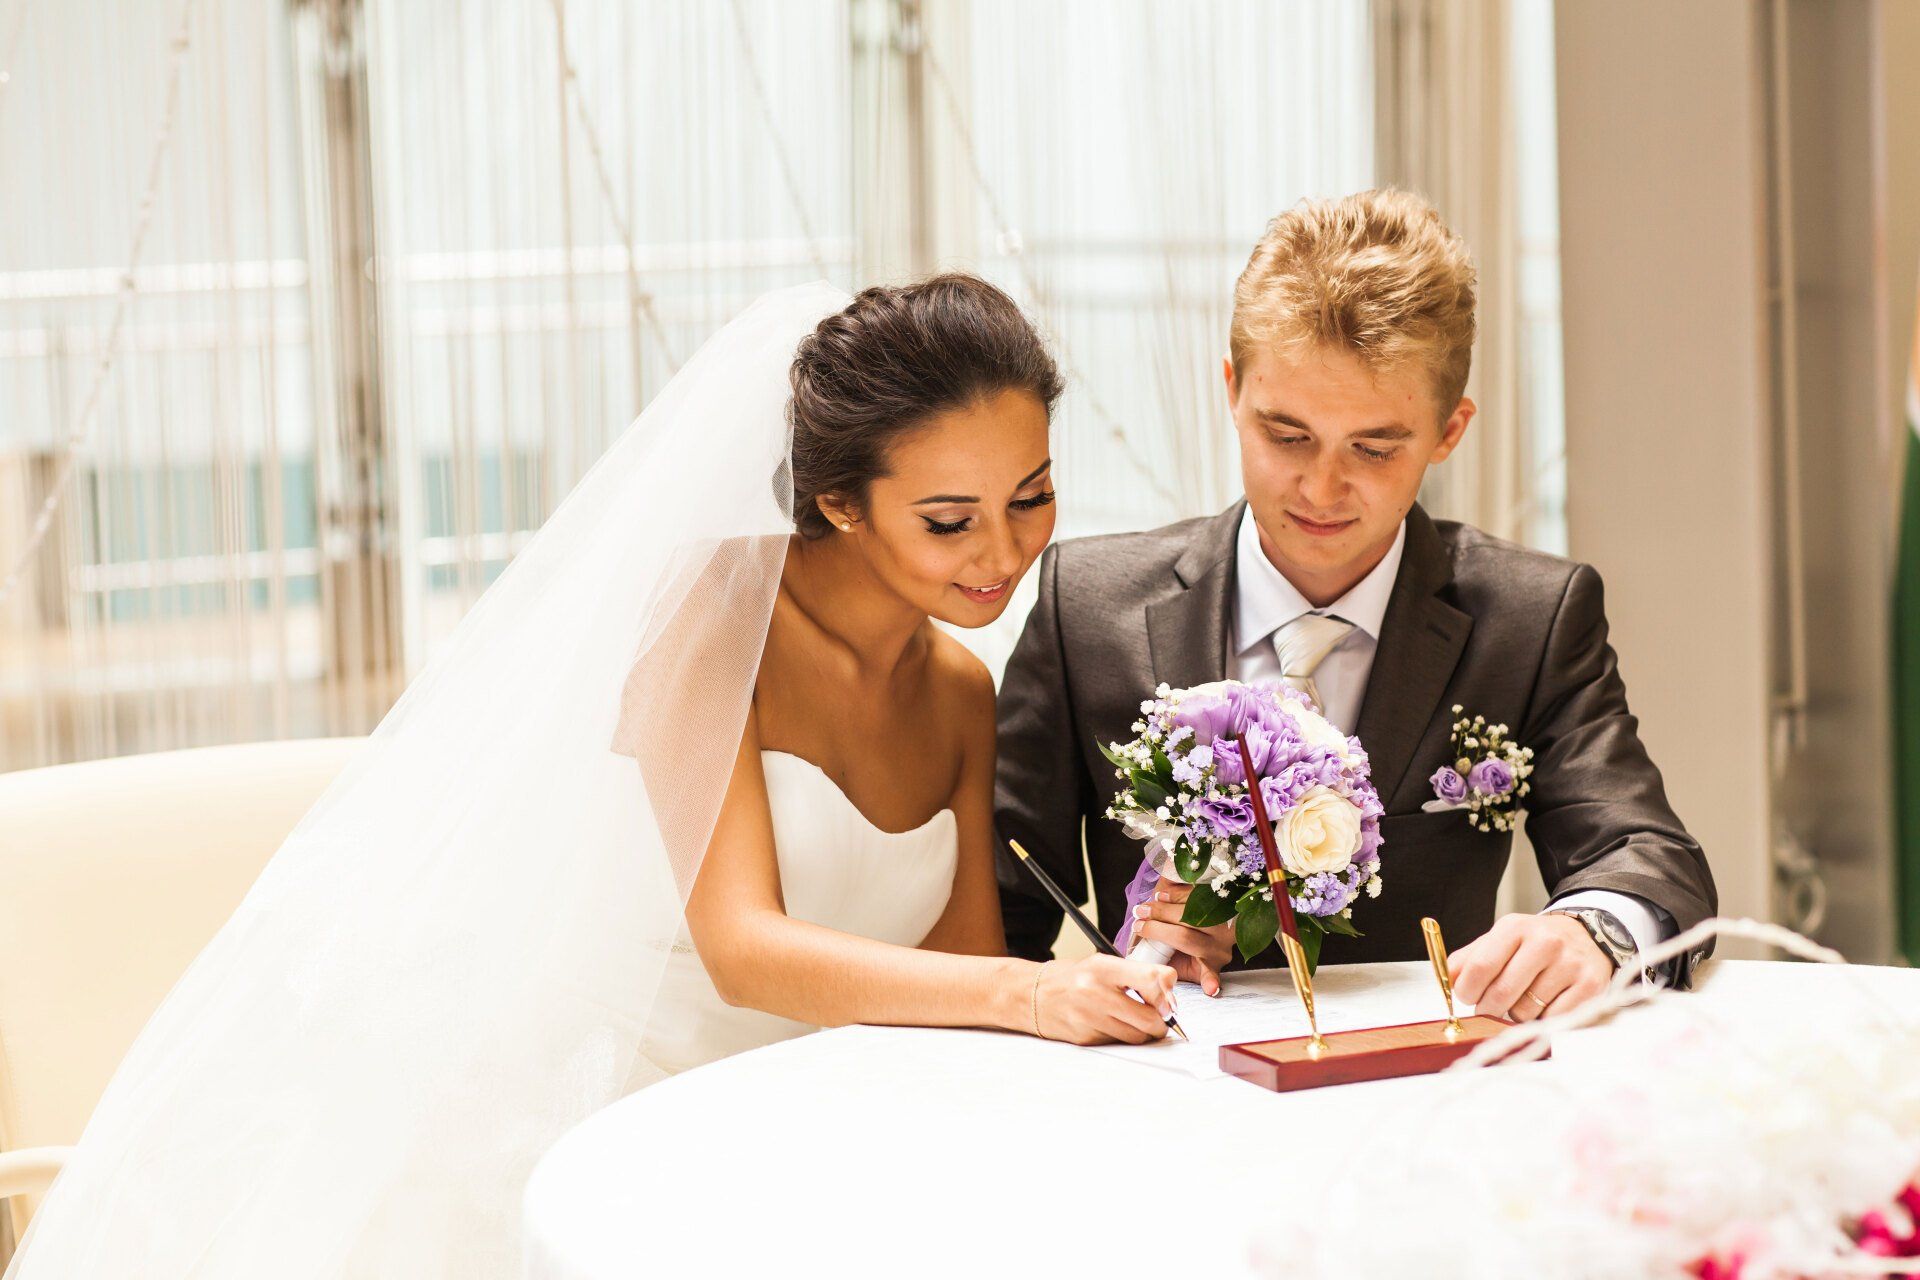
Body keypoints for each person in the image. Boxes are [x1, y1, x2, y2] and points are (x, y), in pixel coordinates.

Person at [9, 275, 1171, 1279]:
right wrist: (1030, 993)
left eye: (1032, 496)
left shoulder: (963, 689)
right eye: (949, 519)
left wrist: (1140, 954)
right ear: (838, 502)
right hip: (599, 1102)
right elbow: (742, 944)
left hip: (809, 1116)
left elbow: (963, 976)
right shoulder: (709, 617)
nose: (1005, 551)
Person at [994, 189, 1717, 1021]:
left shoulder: (1533, 618)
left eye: (1374, 448)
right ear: (1232, 391)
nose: (1321, 487)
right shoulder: (1083, 608)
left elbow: (1647, 851)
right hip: (1163, 1098)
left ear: (1449, 431)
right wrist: (1122, 956)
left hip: (1428, 1100)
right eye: (1286, 435)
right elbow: (999, 923)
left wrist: (1595, 930)